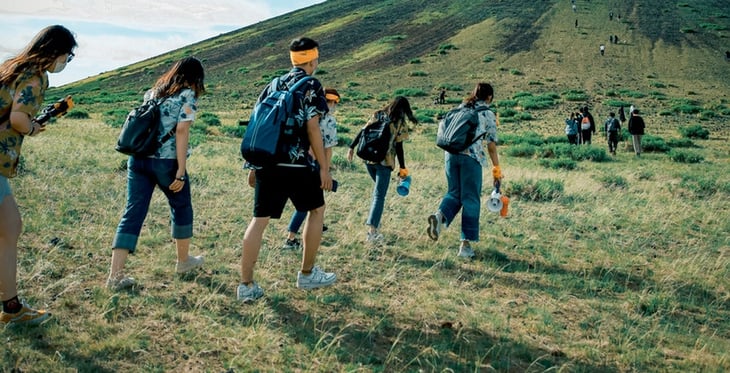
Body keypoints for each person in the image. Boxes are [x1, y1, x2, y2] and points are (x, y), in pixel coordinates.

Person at [238, 37, 335, 303]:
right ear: (314, 60)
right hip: (296, 164)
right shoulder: (312, 84)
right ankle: (306, 274)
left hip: (267, 162)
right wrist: (324, 168)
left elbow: (257, 123)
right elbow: (313, 128)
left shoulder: (274, 83)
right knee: (316, 210)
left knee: (259, 221)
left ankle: (246, 285)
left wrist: (253, 166)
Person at [107, 57, 206, 290]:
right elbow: (182, 131)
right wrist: (180, 171)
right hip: (166, 162)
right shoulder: (187, 96)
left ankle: (115, 275)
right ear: (196, 78)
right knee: (181, 206)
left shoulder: (152, 93)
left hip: (138, 159)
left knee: (132, 212)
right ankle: (183, 261)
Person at [0, 25, 76, 325]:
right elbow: (18, 118)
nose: (65, 63)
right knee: (9, 228)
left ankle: (12, 307)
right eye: (67, 57)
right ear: (54, 52)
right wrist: (31, 127)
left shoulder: (13, 67)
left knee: (10, 227)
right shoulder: (34, 76)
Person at [427, 83, 501, 259]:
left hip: (450, 155)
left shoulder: (460, 108)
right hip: (471, 158)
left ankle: (439, 217)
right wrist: (496, 169)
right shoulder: (487, 113)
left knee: (454, 193)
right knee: (470, 199)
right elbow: (491, 146)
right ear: (489, 97)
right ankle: (465, 246)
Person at [347, 96, 417, 244]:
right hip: (385, 162)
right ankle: (372, 232)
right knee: (379, 196)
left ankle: (375, 223)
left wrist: (351, 147)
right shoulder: (399, 122)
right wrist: (402, 167)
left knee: (378, 194)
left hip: (368, 160)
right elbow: (399, 147)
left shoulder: (377, 114)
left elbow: (363, 131)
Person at [283, 88, 341, 250]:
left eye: (335, 102)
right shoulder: (329, 120)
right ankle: (291, 238)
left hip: (296, 161)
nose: (332, 105)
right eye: (330, 101)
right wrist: (326, 170)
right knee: (308, 204)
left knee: (314, 203)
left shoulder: (305, 113)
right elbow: (328, 148)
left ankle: (317, 224)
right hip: (313, 165)